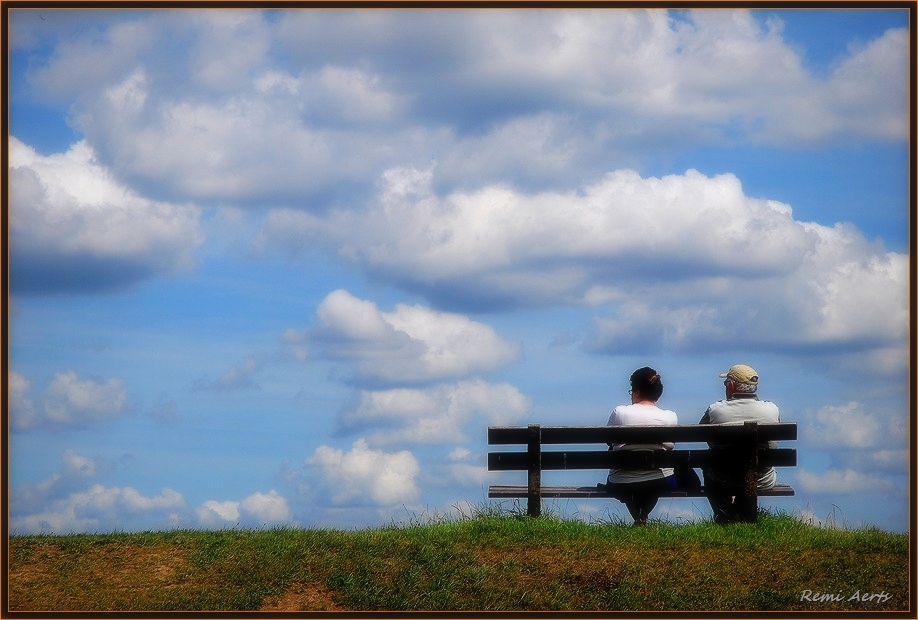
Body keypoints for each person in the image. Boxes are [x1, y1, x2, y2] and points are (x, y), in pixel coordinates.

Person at [699, 364, 780, 524]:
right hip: (761, 479)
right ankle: (740, 514)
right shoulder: (771, 409)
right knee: (752, 467)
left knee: (706, 462)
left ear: (732, 385)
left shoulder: (715, 410)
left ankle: (724, 514)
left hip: (723, 477)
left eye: (726, 383)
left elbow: (704, 435)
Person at [602, 366, 678, 526]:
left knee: (633, 480)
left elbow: (609, 440)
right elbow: (669, 446)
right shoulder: (669, 416)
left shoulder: (620, 412)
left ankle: (639, 516)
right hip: (663, 481)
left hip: (618, 482)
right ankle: (642, 515)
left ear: (636, 391)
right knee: (665, 477)